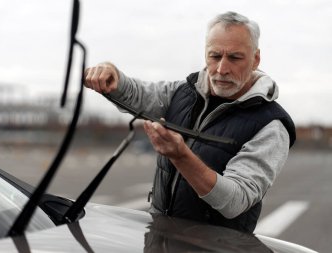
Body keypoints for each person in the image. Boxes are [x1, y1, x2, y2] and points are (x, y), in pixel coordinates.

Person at [84, 11, 296, 233]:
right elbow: (140, 95)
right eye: (215, 56)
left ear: (255, 59)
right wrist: (113, 76)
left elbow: (235, 201)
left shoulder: (272, 125)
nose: (222, 69)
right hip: (160, 238)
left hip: (218, 248)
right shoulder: (183, 91)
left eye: (235, 58)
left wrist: (181, 156)